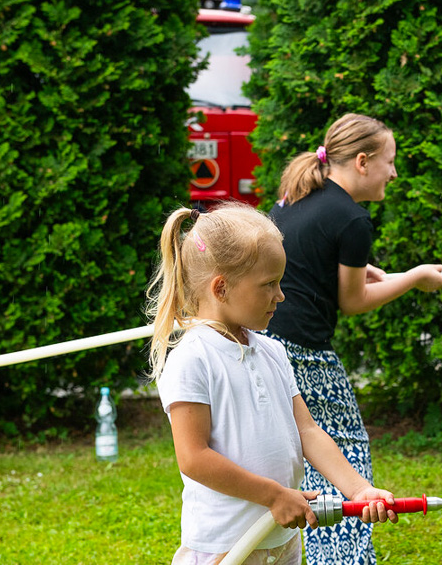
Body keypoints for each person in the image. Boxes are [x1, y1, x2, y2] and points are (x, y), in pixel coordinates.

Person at [146, 203, 398, 565]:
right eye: (269, 284)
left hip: (280, 539)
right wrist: (274, 496)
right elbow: (194, 458)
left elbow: (307, 431)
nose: (281, 295)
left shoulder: (272, 351)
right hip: (226, 546)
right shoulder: (192, 359)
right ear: (221, 288)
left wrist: (359, 489)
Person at [266, 114, 442, 564]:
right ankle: (343, 557)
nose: (394, 172)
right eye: (390, 162)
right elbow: (352, 301)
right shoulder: (352, 218)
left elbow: (301, 260)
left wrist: (355, 268)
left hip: (265, 342)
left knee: (302, 453)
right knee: (345, 448)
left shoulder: (297, 197)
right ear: (364, 162)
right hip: (303, 353)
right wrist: (414, 278)